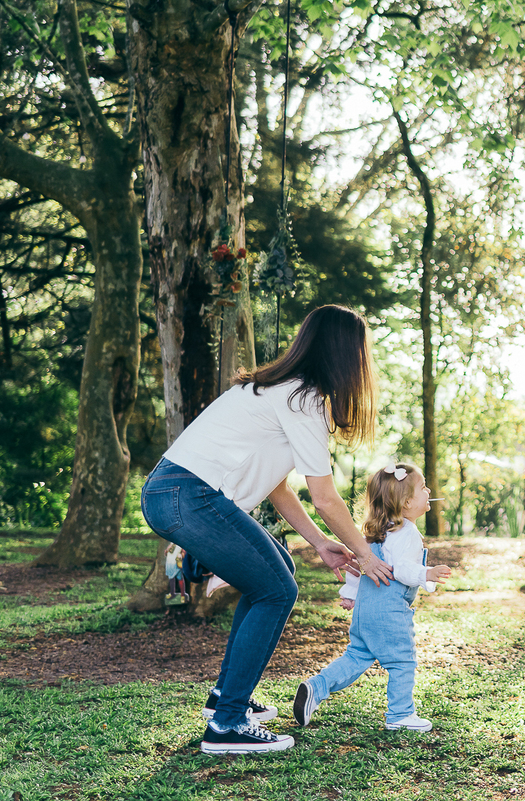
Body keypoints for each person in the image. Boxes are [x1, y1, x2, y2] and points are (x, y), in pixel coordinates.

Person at [140, 305, 395, 755]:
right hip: (188, 494)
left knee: (276, 574)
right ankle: (227, 726)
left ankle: (225, 698)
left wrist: (319, 542)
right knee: (277, 590)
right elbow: (326, 497)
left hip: (178, 492)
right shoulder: (303, 398)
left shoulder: (280, 391)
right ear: (345, 353)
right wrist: (367, 553)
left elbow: (277, 484)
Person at [293, 462, 451, 732]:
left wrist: (351, 595)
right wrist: (426, 573)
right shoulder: (408, 534)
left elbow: (359, 566)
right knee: (402, 661)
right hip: (389, 613)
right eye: (423, 487)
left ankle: (316, 687)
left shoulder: (374, 533)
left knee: (356, 656)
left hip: (365, 612)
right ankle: (400, 714)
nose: (429, 492)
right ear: (407, 502)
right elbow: (401, 570)